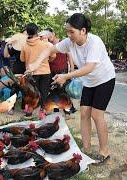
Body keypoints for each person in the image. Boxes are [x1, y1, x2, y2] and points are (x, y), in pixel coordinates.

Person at [26, 13, 116, 164]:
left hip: (104, 79)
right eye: (67, 31)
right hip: (89, 82)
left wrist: (66, 76)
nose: (69, 35)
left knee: (96, 114)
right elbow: (49, 50)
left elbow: (89, 67)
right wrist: (36, 64)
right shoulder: (69, 42)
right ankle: (86, 149)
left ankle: (104, 151)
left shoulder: (95, 42)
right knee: (84, 113)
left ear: (83, 31)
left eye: (72, 32)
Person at [20, 23, 56, 110]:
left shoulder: (24, 46)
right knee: (44, 92)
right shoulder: (45, 44)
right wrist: (47, 60)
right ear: (37, 32)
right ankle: (42, 111)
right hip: (45, 72)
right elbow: (53, 56)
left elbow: (22, 59)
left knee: (31, 93)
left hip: (31, 72)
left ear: (27, 33)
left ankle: (29, 112)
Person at [45, 27, 76, 115]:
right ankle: (56, 110)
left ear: (53, 33)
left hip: (63, 71)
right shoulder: (48, 44)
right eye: (46, 34)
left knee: (63, 92)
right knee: (54, 91)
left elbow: (69, 55)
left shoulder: (62, 42)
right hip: (51, 72)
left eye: (49, 34)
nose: (48, 36)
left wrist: (72, 69)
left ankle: (69, 111)